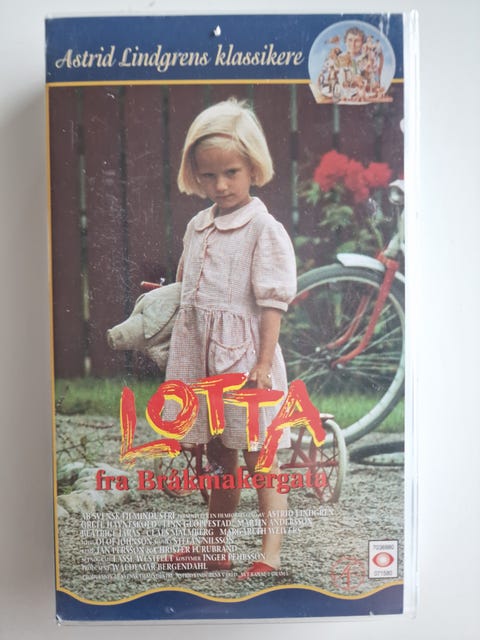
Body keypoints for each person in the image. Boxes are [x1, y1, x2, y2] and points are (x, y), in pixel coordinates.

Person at [163, 98, 297, 580]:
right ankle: (214, 544)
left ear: (253, 168)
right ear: (195, 175)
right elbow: (189, 289)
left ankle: (270, 553)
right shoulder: (197, 226)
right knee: (220, 455)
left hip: (245, 364)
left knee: (261, 454)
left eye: (231, 173)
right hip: (204, 363)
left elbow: (272, 302)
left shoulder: (263, 229)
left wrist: (262, 362)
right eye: (208, 176)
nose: (220, 185)